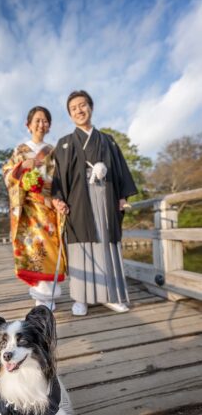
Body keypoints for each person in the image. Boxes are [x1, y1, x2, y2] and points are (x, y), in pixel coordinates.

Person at [52, 90, 137, 316]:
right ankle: (81, 298)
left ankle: (111, 295)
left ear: (91, 107)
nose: (79, 110)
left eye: (83, 105)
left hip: (106, 197)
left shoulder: (108, 140)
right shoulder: (65, 143)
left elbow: (121, 171)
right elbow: (59, 177)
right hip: (79, 201)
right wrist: (58, 199)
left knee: (106, 244)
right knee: (81, 246)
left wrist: (122, 197)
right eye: (73, 108)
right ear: (69, 115)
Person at [3, 106, 66, 310]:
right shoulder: (20, 150)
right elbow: (7, 176)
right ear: (28, 125)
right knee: (34, 250)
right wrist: (22, 169)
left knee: (51, 249)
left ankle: (50, 293)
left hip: (49, 206)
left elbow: (61, 179)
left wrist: (52, 193)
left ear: (49, 125)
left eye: (45, 120)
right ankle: (41, 296)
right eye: (37, 120)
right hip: (28, 209)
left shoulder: (53, 151)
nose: (41, 124)